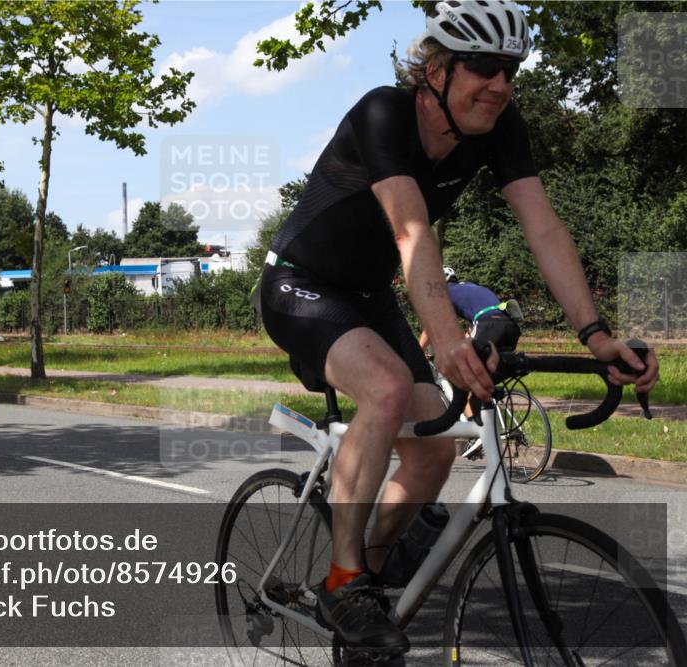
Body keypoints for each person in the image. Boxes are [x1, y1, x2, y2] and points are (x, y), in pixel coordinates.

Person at [258, 0, 658, 657]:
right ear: (437, 70)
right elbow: (412, 231)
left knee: (435, 451)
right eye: (484, 67)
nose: (501, 84)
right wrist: (446, 338)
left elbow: (543, 227)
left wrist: (596, 335)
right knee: (388, 389)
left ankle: (368, 583)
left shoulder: (498, 125)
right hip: (300, 284)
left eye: (511, 71)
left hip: (369, 298)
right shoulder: (383, 113)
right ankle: (342, 579)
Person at [418, 267, 521, 354]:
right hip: (511, 327)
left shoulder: (444, 293)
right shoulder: (470, 288)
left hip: (488, 325)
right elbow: (472, 329)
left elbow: (431, 327)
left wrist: (418, 354)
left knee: (462, 362)